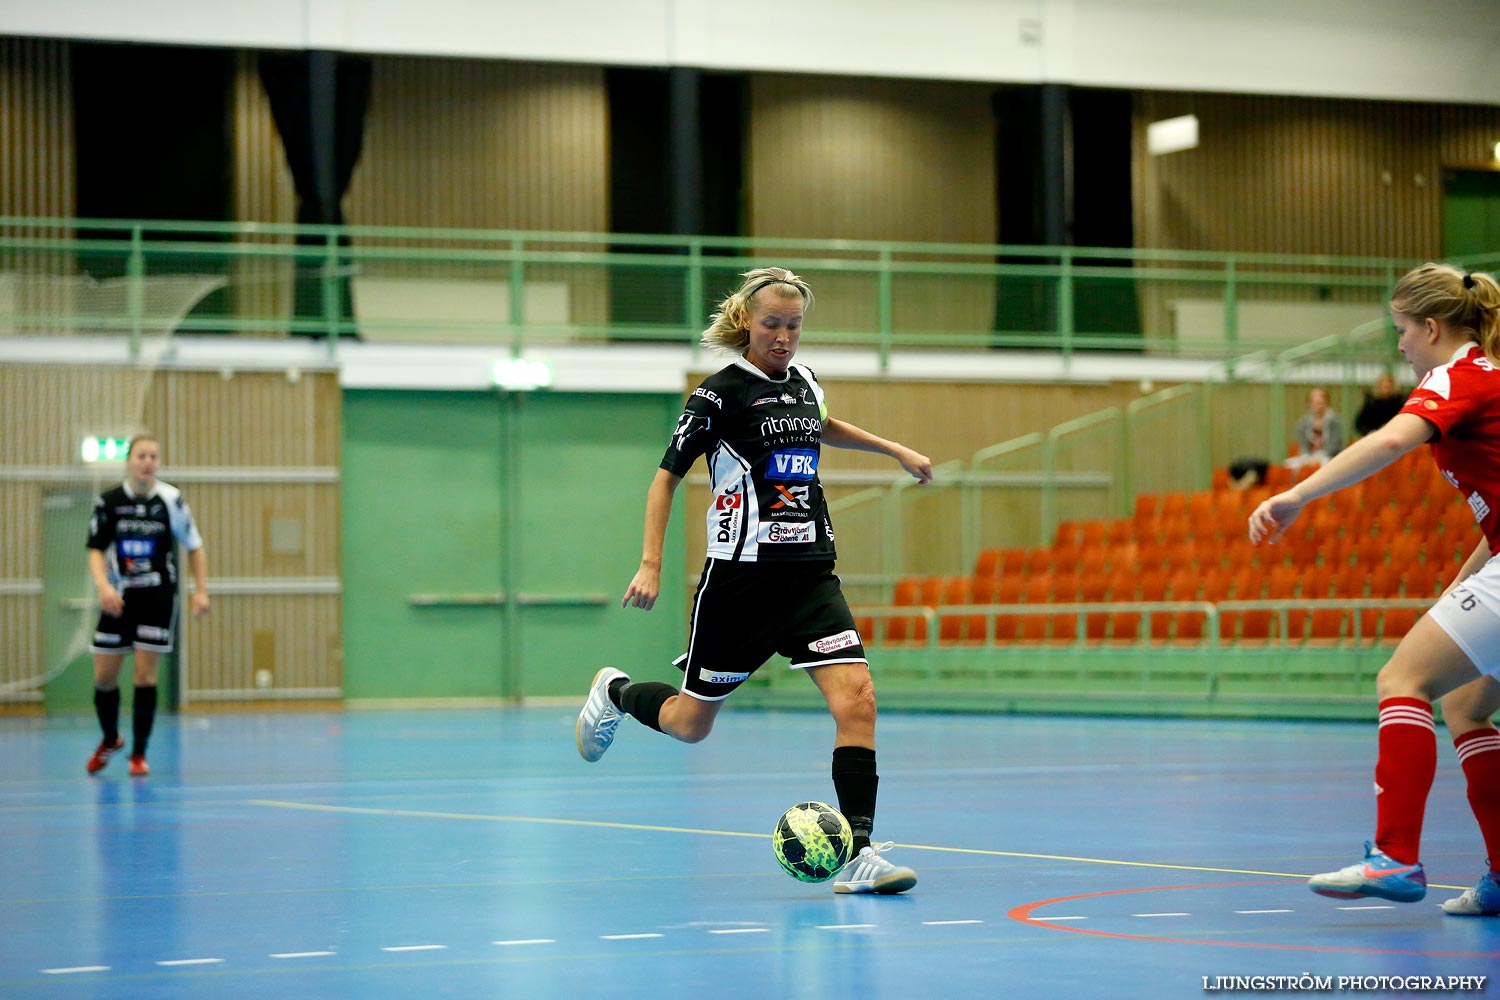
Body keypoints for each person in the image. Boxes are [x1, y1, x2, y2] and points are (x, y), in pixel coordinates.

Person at [574, 267, 933, 894]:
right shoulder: (718, 395)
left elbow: (821, 426)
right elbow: (667, 477)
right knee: (690, 724)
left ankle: (860, 853)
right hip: (738, 585)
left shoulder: (804, 383)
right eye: (773, 325)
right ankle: (617, 692)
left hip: (809, 579)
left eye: (794, 326)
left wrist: (894, 449)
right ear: (747, 322)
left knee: (859, 702)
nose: (785, 337)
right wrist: (651, 562)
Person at [1248, 263, 1500, 917]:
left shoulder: (1458, 376)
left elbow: (1390, 439)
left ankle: (1396, 857)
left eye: (1401, 332)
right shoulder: (1491, 378)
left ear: (1432, 327)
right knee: (1469, 707)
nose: (1400, 347)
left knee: (1401, 681)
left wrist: (1298, 494)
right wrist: (1461, 586)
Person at [85, 435, 210, 777]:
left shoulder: (170, 500)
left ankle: (139, 754)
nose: (148, 461)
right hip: (118, 598)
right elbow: (95, 548)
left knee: (145, 675)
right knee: (104, 677)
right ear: (129, 460)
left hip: (156, 596)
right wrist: (104, 587)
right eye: (142, 455)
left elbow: (194, 546)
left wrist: (201, 590)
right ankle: (111, 738)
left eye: (154, 455)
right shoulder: (109, 501)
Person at [1287, 386, 1346, 469]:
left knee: (1324, 465)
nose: (1318, 405)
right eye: (1315, 402)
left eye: (1320, 402)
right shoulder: (1303, 422)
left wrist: (1320, 456)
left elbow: (1335, 445)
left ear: (1327, 402)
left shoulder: (1335, 421)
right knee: (1290, 464)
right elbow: (1303, 445)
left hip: (1330, 456)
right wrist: (1308, 457)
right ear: (1309, 404)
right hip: (1309, 457)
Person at [1354, 372, 1408, 437]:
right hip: (1374, 437)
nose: (1386, 386)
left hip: (1396, 436)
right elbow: (1359, 424)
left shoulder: (1400, 402)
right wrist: (1368, 432)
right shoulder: (1371, 402)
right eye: (1384, 385)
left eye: (1389, 384)